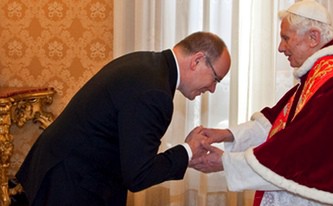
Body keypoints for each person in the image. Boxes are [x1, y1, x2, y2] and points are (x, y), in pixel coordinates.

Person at [189, 1, 333, 205]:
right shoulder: (326, 73)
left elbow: (299, 152)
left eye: (286, 38)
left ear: (313, 37)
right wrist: (226, 135)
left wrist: (227, 163)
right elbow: (280, 123)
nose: (280, 47)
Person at [15, 31, 231, 206]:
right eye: (216, 79)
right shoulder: (155, 93)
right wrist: (188, 150)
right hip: (70, 184)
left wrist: (187, 154)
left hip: (65, 171)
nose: (212, 89)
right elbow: (138, 174)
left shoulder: (149, 64)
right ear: (197, 60)